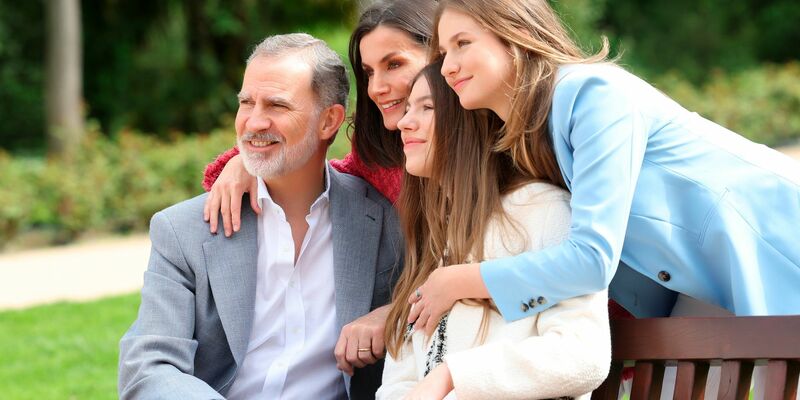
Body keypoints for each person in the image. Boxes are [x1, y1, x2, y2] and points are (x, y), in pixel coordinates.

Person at [403, 0, 800, 336]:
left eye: (462, 44)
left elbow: (591, 258)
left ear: (514, 34)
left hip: (772, 243)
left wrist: (457, 281)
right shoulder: (527, 133)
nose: (447, 67)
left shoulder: (590, 94)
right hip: (699, 288)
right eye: (442, 54)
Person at [118, 33, 403, 399]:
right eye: (246, 102)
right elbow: (150, 367)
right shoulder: (182, 231)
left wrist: (392, 313)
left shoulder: (384, 219)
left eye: (277, 106)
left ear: (329, 122)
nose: (253, 122)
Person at [199, 0, 451, 378]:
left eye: (394, 64)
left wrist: (392, 314)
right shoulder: (383, 162)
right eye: (368, 72)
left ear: (440, 55)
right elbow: (320, 172)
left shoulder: (495, 154)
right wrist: (241, 162)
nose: (378, 87)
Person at [376, 61, 610, 400]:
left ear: (469, 120)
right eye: (408, 109)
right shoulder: (436, 236)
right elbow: (400, 380)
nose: (403, 122)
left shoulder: (541, 210)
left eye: (426, 107)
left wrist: (454, 376)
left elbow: (582, 355)